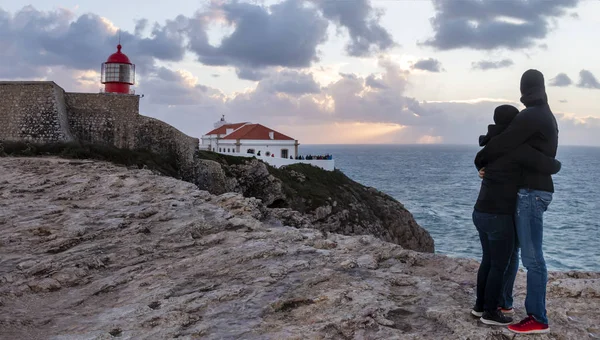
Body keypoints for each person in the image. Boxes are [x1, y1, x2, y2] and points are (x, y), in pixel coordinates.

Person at [475, 69, 559, 334]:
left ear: (524, 89)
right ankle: (503, 303)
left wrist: (480, 161)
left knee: (531, 258)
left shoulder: (530, 116)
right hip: (530, 191)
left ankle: (538, 318)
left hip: (532, 193)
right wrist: (553, 165)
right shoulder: (544, 114)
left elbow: (502, 144)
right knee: (512, 253)